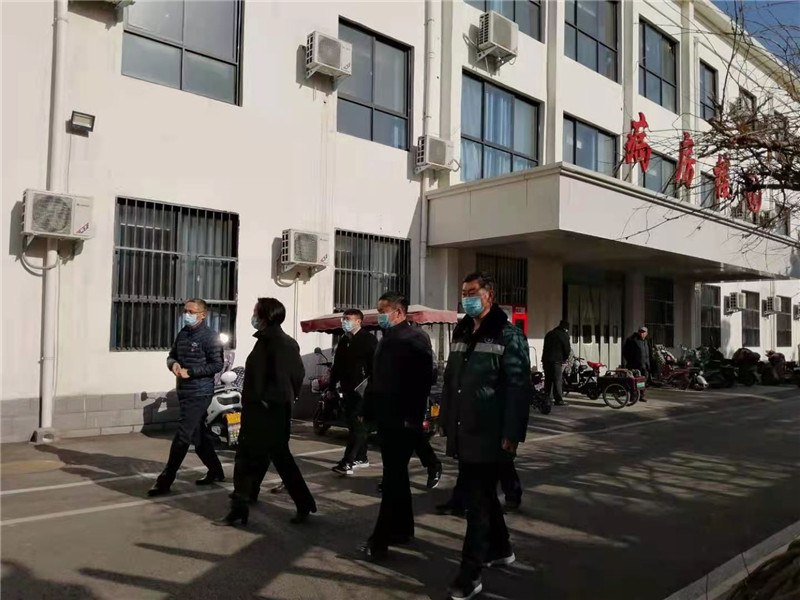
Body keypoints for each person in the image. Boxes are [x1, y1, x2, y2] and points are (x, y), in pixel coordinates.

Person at [439, 272, 531, 600]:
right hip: (464, 429)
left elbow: (518, 388)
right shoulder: (462, 331)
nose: (466, 298)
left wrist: (512, 434)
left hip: (490, 433)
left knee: (476, 503)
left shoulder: (508, 335)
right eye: (463, 293)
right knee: (484, 495)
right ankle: (501, 548)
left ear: (489, 295)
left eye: (472, 292)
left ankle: (470, 573)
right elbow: (452, 379)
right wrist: (445, 418)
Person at [216, 298, 316, 526]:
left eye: (255, 312)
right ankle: (248, 500)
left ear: (265, 316)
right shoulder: (266, 341)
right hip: (262, 411)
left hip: (267, 413)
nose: (253, 316)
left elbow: (289, 379)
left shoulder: (280, 344)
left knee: (259, 460)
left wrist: (266, 402)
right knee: (262, 459)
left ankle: (245, 506)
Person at [360, 292, 435, 558]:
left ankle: (380, 540)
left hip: (403, 419)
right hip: (386, 417)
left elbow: (422, 382)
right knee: (397, 476)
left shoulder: (415, 339)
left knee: (392, 479)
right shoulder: (386, 339)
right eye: (378, 310)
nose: (379, 315)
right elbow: (376, 379)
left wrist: (412, 418)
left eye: (383, 311)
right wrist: (367, 411)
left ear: (399, 312)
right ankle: (403, 529)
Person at [148, 299, 225, 497]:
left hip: (200, 392)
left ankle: (165, 480)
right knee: (198, 435)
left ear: (202, 315)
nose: (187, 315)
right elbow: (171, 355)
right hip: (184, 391)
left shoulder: (210, 337)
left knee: (183, 435)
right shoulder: (183, 333)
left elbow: (217, 365)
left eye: (191, 311)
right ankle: (216, 471)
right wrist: (173, 364)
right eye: (185, 311)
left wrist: (191, 372)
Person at [330, 309, 378, 476]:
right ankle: (362, 457)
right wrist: (331, 386)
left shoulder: (368, 340)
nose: (344, 322)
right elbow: (337, 366)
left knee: (358, 426)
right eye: (343, 318)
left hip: (363, 391)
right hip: (347, 390)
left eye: (348, 319)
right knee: (353, 424)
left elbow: (375, 368)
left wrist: (372, 389)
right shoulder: (344, 340)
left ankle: (348, 461)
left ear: (358, 321)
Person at [542, 320, 571, 407]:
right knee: (557, 380)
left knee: (548, 380)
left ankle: (546, 398)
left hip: (546, 360)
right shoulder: (564, 335)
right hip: (556, 361)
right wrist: (564, 359)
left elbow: (545, 348)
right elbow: (567, 349)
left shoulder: (549, 334)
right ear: (565, 328)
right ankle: (558, 400)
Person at [623, 326, 650, 402]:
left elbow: (648, 354)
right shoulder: (632, 340)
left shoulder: (645, 341)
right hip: (634, 365)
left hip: (644, 366)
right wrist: (631, 361)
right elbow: (625, 352)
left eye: (643, 332)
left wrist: (648, 364)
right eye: (640, 331)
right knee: (633, 381)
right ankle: (633, 396)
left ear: (646, 333)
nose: (642, 333)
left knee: (642, 381)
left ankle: (641, 395)